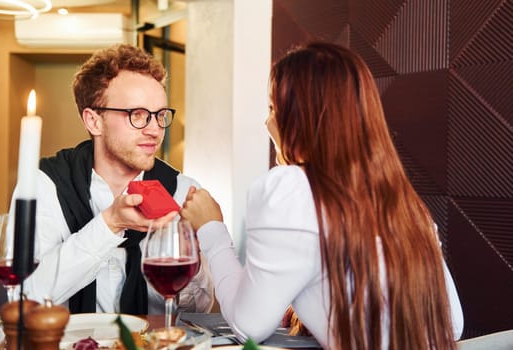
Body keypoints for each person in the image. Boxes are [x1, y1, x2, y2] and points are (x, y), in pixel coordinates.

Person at [181, 42, 464, 349]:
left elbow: (248, 327)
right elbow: (453, 324)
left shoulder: (289, 187)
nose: (267, 124)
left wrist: (212, 231)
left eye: (273, 109)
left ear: (299, 120)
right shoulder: (403, 200)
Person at [9, 44, 214, 315]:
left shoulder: (184, 192)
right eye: (137, 115)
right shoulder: (42, 185)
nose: (154, 129)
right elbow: (26, 297)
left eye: (160, 115)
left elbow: (200, 310)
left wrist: (193, 262)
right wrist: (110, 224)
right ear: (94, 121)